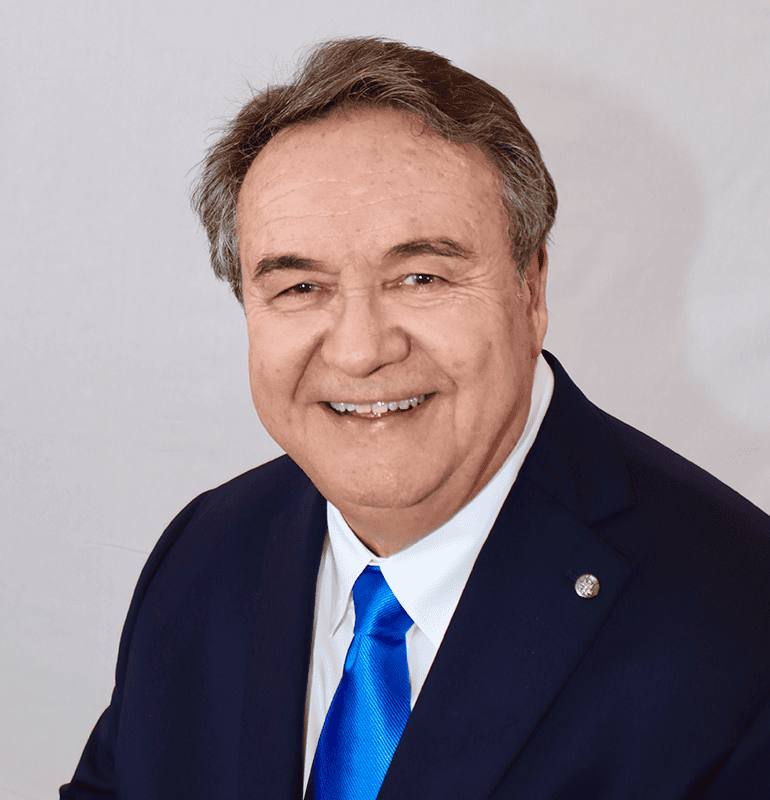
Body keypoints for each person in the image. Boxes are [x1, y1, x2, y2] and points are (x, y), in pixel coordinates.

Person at [61, 37, 770, 799]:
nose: (362, 351)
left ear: (530, 292)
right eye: (300, 287)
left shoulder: (741, 626)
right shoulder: (204, 557)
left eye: (420, 276)